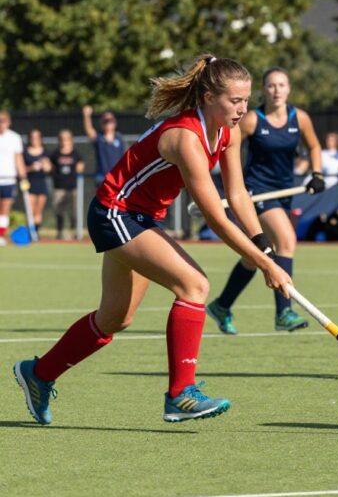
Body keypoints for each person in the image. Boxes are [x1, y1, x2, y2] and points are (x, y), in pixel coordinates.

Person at [13, 54, 292, 425]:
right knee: (194, 285)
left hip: (140, 218)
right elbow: (215, 216)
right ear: (209, 96)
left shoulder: (229, 132)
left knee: (115, 319)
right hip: (115, 213)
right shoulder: (184, 138)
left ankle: (39, 373)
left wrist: (262, 244)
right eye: (234, 101)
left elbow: (238, 194)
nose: (242, 109)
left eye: (245, 100)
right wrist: (265, 264)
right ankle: (180, 394)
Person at [205, 67, 324, 335]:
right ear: (264, 90)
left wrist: (316, 173)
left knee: (253, 257)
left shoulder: (300, 118)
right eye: (271, 85)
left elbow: (315, 146)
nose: (277, 90)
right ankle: (284, 312)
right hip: (256, 192)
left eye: (282, 85)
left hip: (284, 192)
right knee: (286, 241)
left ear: (289, 88)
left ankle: (222, 306)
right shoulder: (251, 120)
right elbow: (227, 140)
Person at [49, 129, 85, 239]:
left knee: (74, 212)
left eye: (67, 139)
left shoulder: (76, 154)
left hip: (73, 187)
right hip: (59, 187)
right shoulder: (54, 154)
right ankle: (60, 232)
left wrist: (81, 167)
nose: (64, 141)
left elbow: (81, 165)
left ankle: (74, 231)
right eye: (62, 139)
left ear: (71, 140)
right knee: (59, 211)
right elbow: (51, 168)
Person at [0, 110, 28, 246]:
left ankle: (0, 235)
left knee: (5, 209)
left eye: (3, 121)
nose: (1, 124)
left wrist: (23, 177)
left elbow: (18, 159)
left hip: (9, 179)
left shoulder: (14, 138)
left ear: (8, 122)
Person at [82, 105, 126, 184]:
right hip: (102, 176)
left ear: (115, 122)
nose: (108, 123)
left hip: (118, 176)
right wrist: (86, 116)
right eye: (105, 121)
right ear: (101, 123)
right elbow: (89, 130)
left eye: (110, 120)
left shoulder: (119, 138)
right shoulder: (99, 138)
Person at [23, 128, 51, 232]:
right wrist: (31, 168)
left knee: (38, 211)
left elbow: (49, 169)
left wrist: (46, 166)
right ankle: (30, 233)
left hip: (41, 183)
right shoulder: (25, 152)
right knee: (30, 211)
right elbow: (21, 169)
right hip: (29, 184)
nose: (35, 139)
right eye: (32, 137)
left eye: (37, 137)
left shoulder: (45, 151)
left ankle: (36, 233)